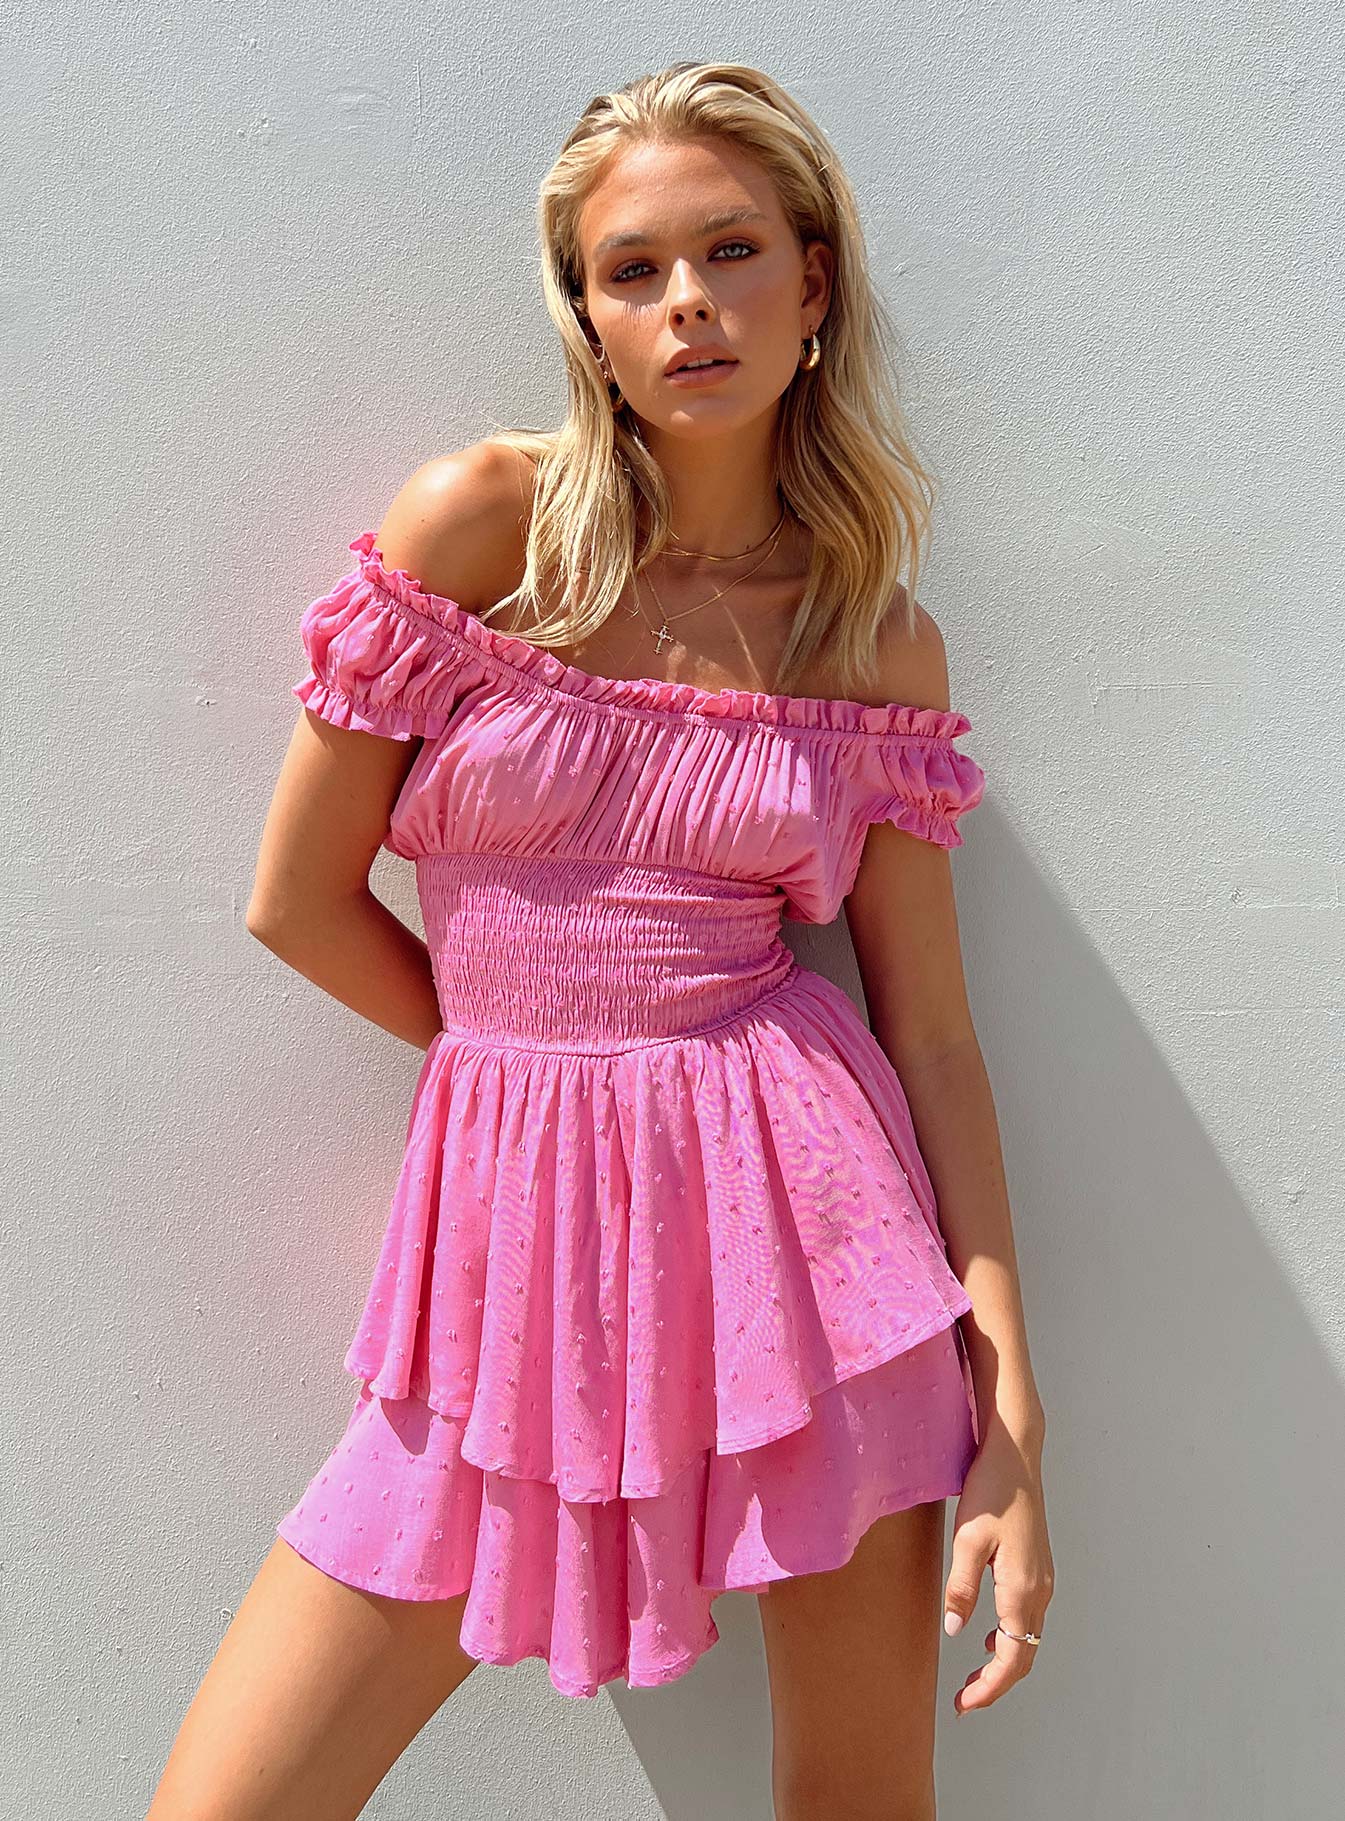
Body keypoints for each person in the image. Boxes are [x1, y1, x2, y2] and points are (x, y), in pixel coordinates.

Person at [147, 59, 1053, 1821]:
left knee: (855, 1803)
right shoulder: (477, 529)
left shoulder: (867, 638)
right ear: (585, 314)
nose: (686, 301)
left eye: (731, 250)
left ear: (812, 282)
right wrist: (548, 1081)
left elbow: (932, 1039)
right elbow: (296, 901)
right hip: (509, 1250)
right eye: (632, 269)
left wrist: (1016, 1420)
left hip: (811, 1246)